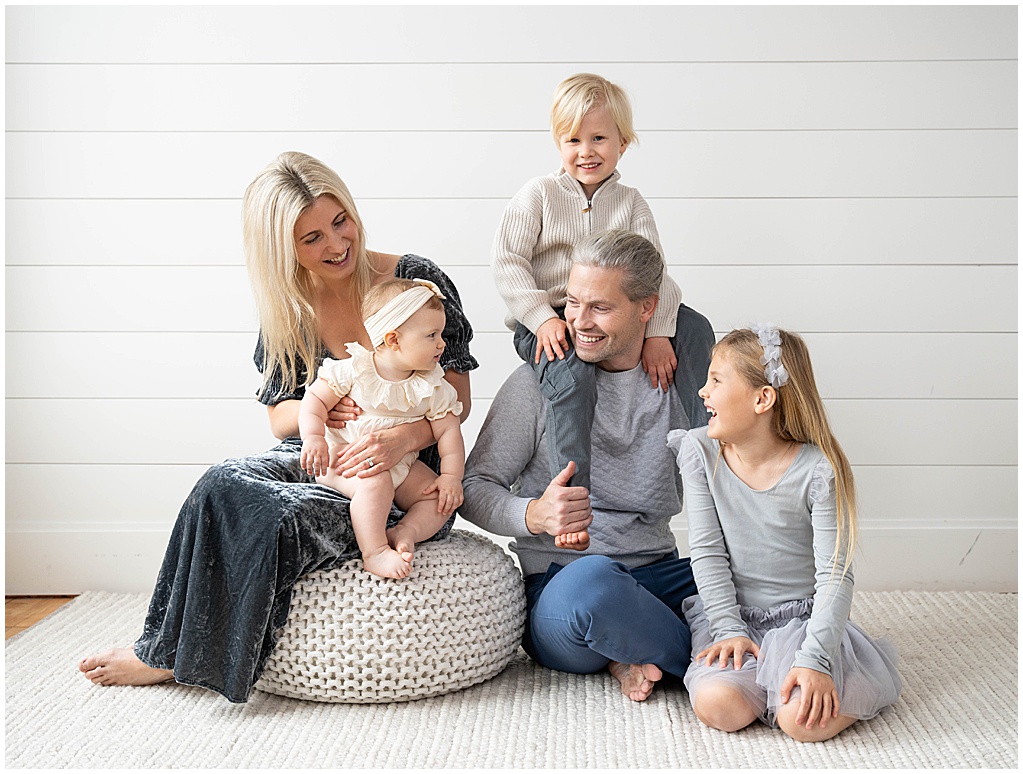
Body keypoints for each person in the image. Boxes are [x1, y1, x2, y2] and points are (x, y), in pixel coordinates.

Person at [78, 151, 478, 703]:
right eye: (310, 238)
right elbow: (279, 418)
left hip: (400, 479)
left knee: (278, 514)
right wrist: (322, 413)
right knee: (222, 482)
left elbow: (457, 396)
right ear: (283, 247)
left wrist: (402, 438)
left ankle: (178, 657)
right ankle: (163, 643)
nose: (336, 245)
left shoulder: (415, 283)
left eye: (340, 222)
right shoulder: (290, 308)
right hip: (326, 455)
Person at [461, 228, 709, 702]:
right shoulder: (537, 384)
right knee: (592, 591)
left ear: (647, 308)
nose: (578, 321)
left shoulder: (682, 383)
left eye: (601, 307)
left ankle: (633, 648)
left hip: (658, 571)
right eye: (573, 303)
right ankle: (719, 668)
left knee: (756, 578)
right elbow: (473, 486)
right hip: (563, 584)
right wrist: (533, 514)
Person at [491, 73, 713, 512]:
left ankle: (707, 452)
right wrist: (542, 318)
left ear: (623, 144)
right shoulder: (538, 196)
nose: (586, 151)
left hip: (616, 308)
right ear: (558, 143)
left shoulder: (630, 203)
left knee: (697, 328)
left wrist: (659, 333)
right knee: (571, 375)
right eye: (573, 139)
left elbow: (658, 272)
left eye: (598, 138)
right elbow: (508, 263)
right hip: (549, 316)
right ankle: (575, 493)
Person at [667, 327, 901, 742]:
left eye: (716, 380)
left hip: (802, 622)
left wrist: (814, 659)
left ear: (763, 398)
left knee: (803, 723)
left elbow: (834, 574)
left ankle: (844, 677)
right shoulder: (699, 450)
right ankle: (760, 681)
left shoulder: (817, 470)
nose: (703, 392)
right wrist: (728, 629)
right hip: (735, 617)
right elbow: (706, 552)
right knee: (716, 705)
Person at [299, 278, 465, 579]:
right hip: (346, 461)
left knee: (438, 498)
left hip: (402, 464)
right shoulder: (355, 370)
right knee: (376, 483)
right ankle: (374, 551)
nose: (442, 343)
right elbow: (314, 401)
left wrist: (451, 478)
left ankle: (406, 531)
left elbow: (449, 432)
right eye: (431, 335)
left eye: (440, 333)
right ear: (393, 340)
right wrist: (314, 437)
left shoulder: (432, 384)